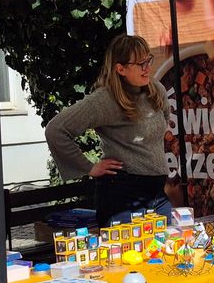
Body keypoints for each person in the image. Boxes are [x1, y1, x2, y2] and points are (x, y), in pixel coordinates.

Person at [44, 35, 174, 226]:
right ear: (120, 69)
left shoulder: (156, 89)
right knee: (129, 247)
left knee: (168, 242)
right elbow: (56, 130)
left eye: (149, 60)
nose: (147, 67)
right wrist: (89, 167)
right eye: (141, 63)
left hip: (156, 193)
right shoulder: (105, 100)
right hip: (123, 193)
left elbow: (165, 118)